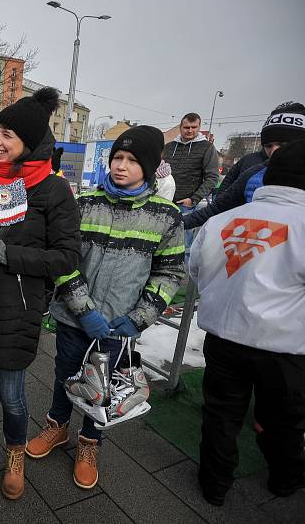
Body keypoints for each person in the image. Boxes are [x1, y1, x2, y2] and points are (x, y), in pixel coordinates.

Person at [28, 126, 186, 489]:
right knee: (67, 375)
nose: (121, 166)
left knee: (104, 389)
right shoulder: (83, 204)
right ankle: (57, 426)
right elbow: (64, 260)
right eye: (117, 158)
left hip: (119, 326)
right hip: (75, 319)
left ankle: (89, 443)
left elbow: (171, 271)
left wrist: (140, 317)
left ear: (148, 167)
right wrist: (84, 309)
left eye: (131, 160)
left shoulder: (166, 216)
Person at [0, 87, 81, 500]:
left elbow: (65, 257)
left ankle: (15, 455)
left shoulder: (54, 191)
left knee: (12, 396)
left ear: (30, 142)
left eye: (7, 134)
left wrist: (3, 251)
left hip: (18, 309)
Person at [190, 140, 305, 506]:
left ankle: (213, 485)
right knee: (284, 421)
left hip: (223, 338)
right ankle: (285, 480)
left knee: (221, 415)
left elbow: (197, 269)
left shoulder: (222, 220)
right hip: (285, 348)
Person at [184, 102, 305, 230]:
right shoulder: (253, 172)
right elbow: (218, 207)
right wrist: (177, 222)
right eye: (268, 145)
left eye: (282, 144)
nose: (274, 151)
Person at [162, 113, 219, 258]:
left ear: (199, 128)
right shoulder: (169, 147)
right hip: (164, 202)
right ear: (180, 127)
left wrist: (193, 199)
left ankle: (180, 277)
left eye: (194, 127)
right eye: (186, 127)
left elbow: (212, 177)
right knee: (160, 241)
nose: (190, 130)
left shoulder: (207, 148)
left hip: (186, 205)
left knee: (182, 245)